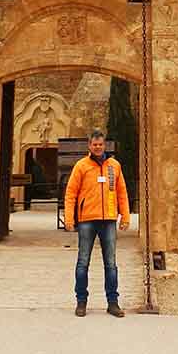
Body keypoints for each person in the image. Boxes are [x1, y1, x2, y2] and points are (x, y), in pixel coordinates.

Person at [63, 130, 130, 317]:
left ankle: (113, 302)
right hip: (87, 220)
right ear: (89, 145)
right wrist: (69, 218)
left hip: (108, 220)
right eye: (95, 144)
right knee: (83, 262)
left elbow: (121, 192)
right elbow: (71, 193)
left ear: (104, 145)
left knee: (111, 263)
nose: (98, 147)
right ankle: (81, 301)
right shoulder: (81, 166)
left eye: (100, 144)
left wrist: (125, 216)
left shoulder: (114, 166)